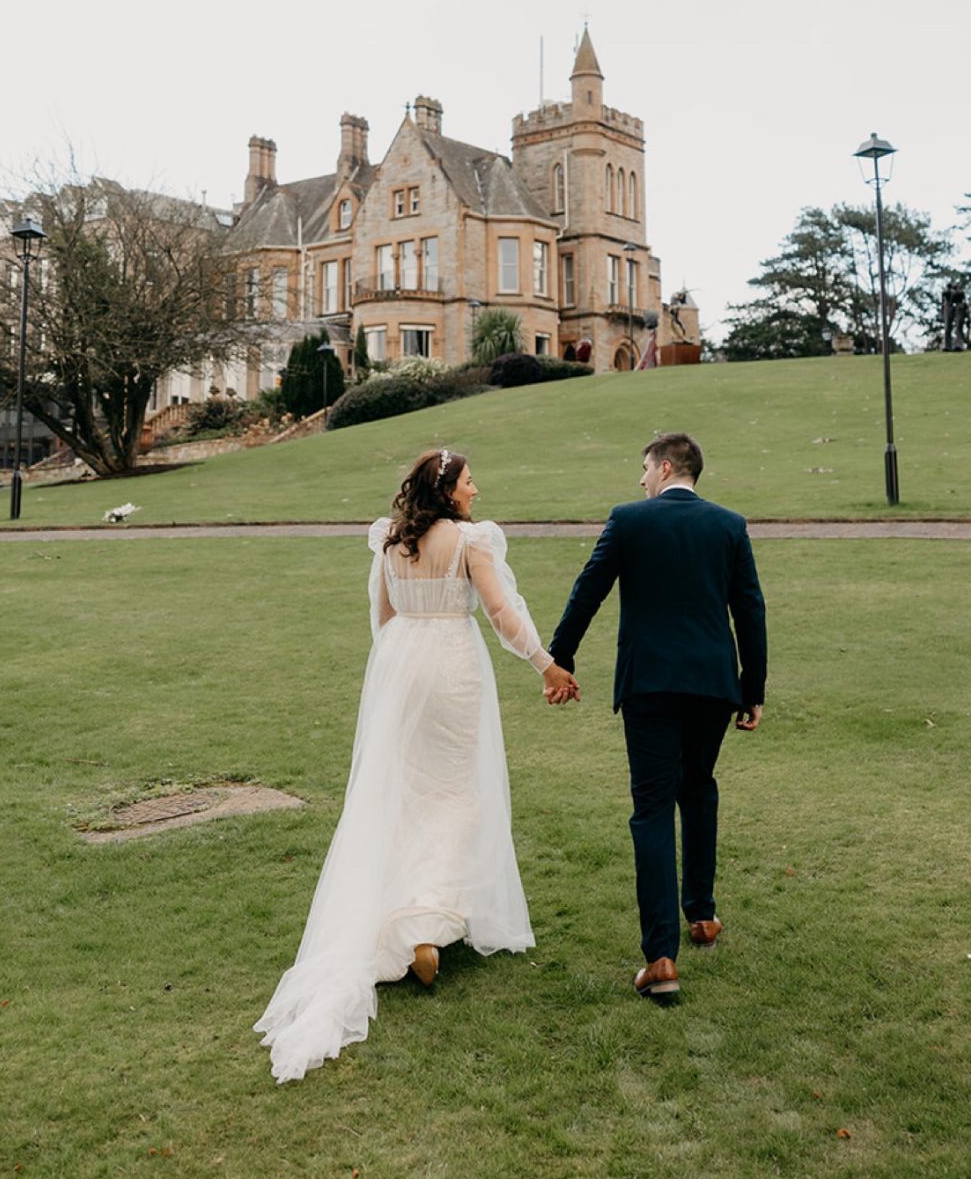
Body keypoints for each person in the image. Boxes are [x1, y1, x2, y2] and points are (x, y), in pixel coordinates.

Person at [255, 447, 577, 1081]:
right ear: (448, 490)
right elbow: (501, 613)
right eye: (469, 482)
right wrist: (547, 666)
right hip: (452, 666)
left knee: (403, 792)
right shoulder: (470, 541)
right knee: (455, 792)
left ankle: (391, 908)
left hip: (401, 665)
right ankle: (423, 925)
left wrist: (398, 673)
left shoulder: (389, 539)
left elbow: (383, 617)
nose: (477, 490)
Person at [547, 431, 766, 1004]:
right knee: (698, 788)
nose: (641, 480)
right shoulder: (729, 525)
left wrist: (559, 658)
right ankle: (703, 916)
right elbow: (750, 609)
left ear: (666, 468)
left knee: (651, 809)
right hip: (713, 687)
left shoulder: (628, 520)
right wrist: (752, 689)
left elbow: (588, 592)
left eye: (645, 469)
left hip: (649, 686)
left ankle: (661, 958)